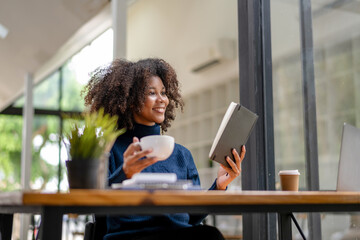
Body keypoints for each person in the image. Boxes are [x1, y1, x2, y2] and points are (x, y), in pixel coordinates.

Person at [83, 58, 246, 240]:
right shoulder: (111, 148)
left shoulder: (182, 155)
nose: (162, 100)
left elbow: (192, 217)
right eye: (152, 93)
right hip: (129, 237)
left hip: (176, 235)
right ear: (130, 101)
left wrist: (219, 186)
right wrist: (124, 173)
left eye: (164, 93)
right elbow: (96, 208)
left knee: (210, 235)